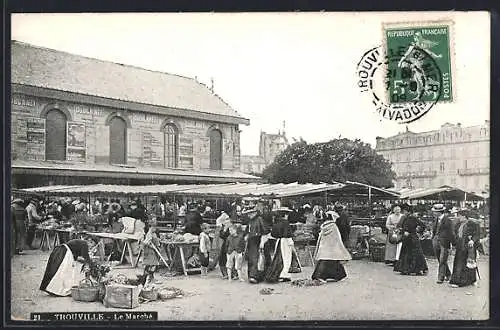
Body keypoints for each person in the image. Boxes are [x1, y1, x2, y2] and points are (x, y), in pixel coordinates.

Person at [311, 212, 352, 282]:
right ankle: (338, 276)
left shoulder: (324, 226)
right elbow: (337, 238)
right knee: (334, 260)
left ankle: (319, 276)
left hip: (324, 247)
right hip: (332, 248)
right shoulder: (334, 226)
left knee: (324, 261)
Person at [449, 209, 481, 288]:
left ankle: (469, 280)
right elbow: (456, 233)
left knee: (469, 263)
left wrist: (473, 240)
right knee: (459, 263)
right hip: (460, 245)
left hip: (468, 246)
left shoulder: (472, 224)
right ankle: (458, 280)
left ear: (464, 216)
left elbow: (477, 234)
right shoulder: (459, 224)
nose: (458, 217)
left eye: (459, 216)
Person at [265, 207, 297, 283]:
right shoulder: (285, 222)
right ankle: (283, 274)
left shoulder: (276, 222)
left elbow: (273, 234)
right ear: (285, 214)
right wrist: (291, 244)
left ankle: (277, 274)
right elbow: (288, 234)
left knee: (278, 257)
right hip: (285, 242)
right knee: (286, 258)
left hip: (279, 241)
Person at [394, 206, 428, 276]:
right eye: (403, 211)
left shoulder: (413, 218)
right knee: (406, 253)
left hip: (413, 238)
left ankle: (416, 269)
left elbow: (423, 225)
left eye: (405, 211)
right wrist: (401, 231)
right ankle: (405, 269)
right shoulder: (404, 218)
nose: (404, 213)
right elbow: (401, 227)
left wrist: (417, 231)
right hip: (407, 238)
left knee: (415, 253)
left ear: (409, 212)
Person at [431, 203, 454, 283]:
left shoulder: (448, 221)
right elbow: (434, 230)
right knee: (439, 259)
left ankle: (440, 277)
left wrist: (453, 244)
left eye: (435, 212)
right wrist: (433, 238)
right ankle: (448, 274)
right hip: (435, 241)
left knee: (442, 260)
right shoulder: (436, 219)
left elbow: (451, 233)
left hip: (444, 242)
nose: (433, 213)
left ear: (439, 212)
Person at [242, 207, 267, 283]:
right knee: (251, 259)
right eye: (248, 213)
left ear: (255, 213)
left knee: (256, 259)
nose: (249, 215)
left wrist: (262, 242)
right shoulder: (250, 221)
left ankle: (255, 276)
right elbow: (247, 231)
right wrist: (245, 235)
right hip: (251, 241)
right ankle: (251, 275)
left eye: (250, 213)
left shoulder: (259, 219)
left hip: (257, 240)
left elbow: (264, 231)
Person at [142, 220, 161, 285]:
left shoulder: (154, 234)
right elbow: (146, 242)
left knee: (153, 264)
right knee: (151, 264)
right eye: (154, 227)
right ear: (150, 227)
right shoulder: (149, 234)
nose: (155, 229)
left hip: (154, 251)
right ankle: (147, 277)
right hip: (150, 251)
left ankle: (151, 277)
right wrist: (151, 246)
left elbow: (156, 240)